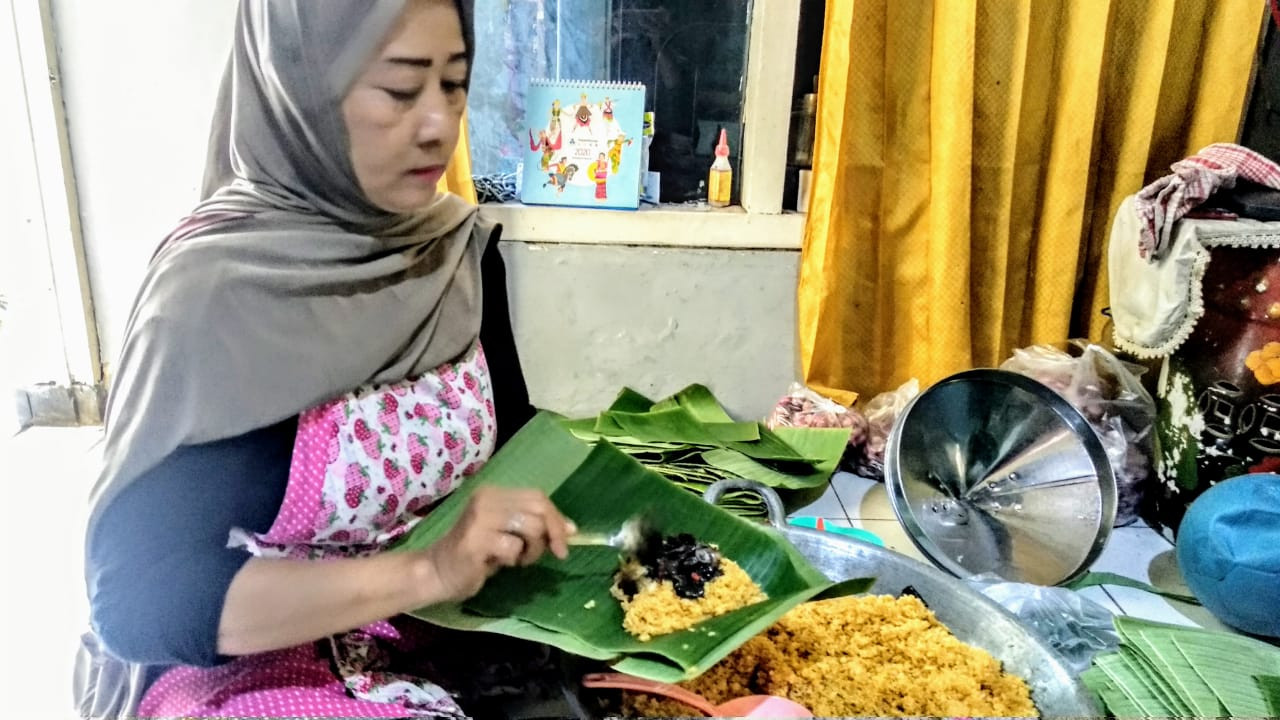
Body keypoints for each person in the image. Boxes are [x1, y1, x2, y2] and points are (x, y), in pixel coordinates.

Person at [81, 1, 576, 717]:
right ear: (300, 89)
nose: (439, 123)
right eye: (402, 90)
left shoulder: (456, 253)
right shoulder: (217, 301)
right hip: (262, 668)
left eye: (455, 83)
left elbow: (517, 443)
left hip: (455, 638)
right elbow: (139, 600)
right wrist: (425, 571)